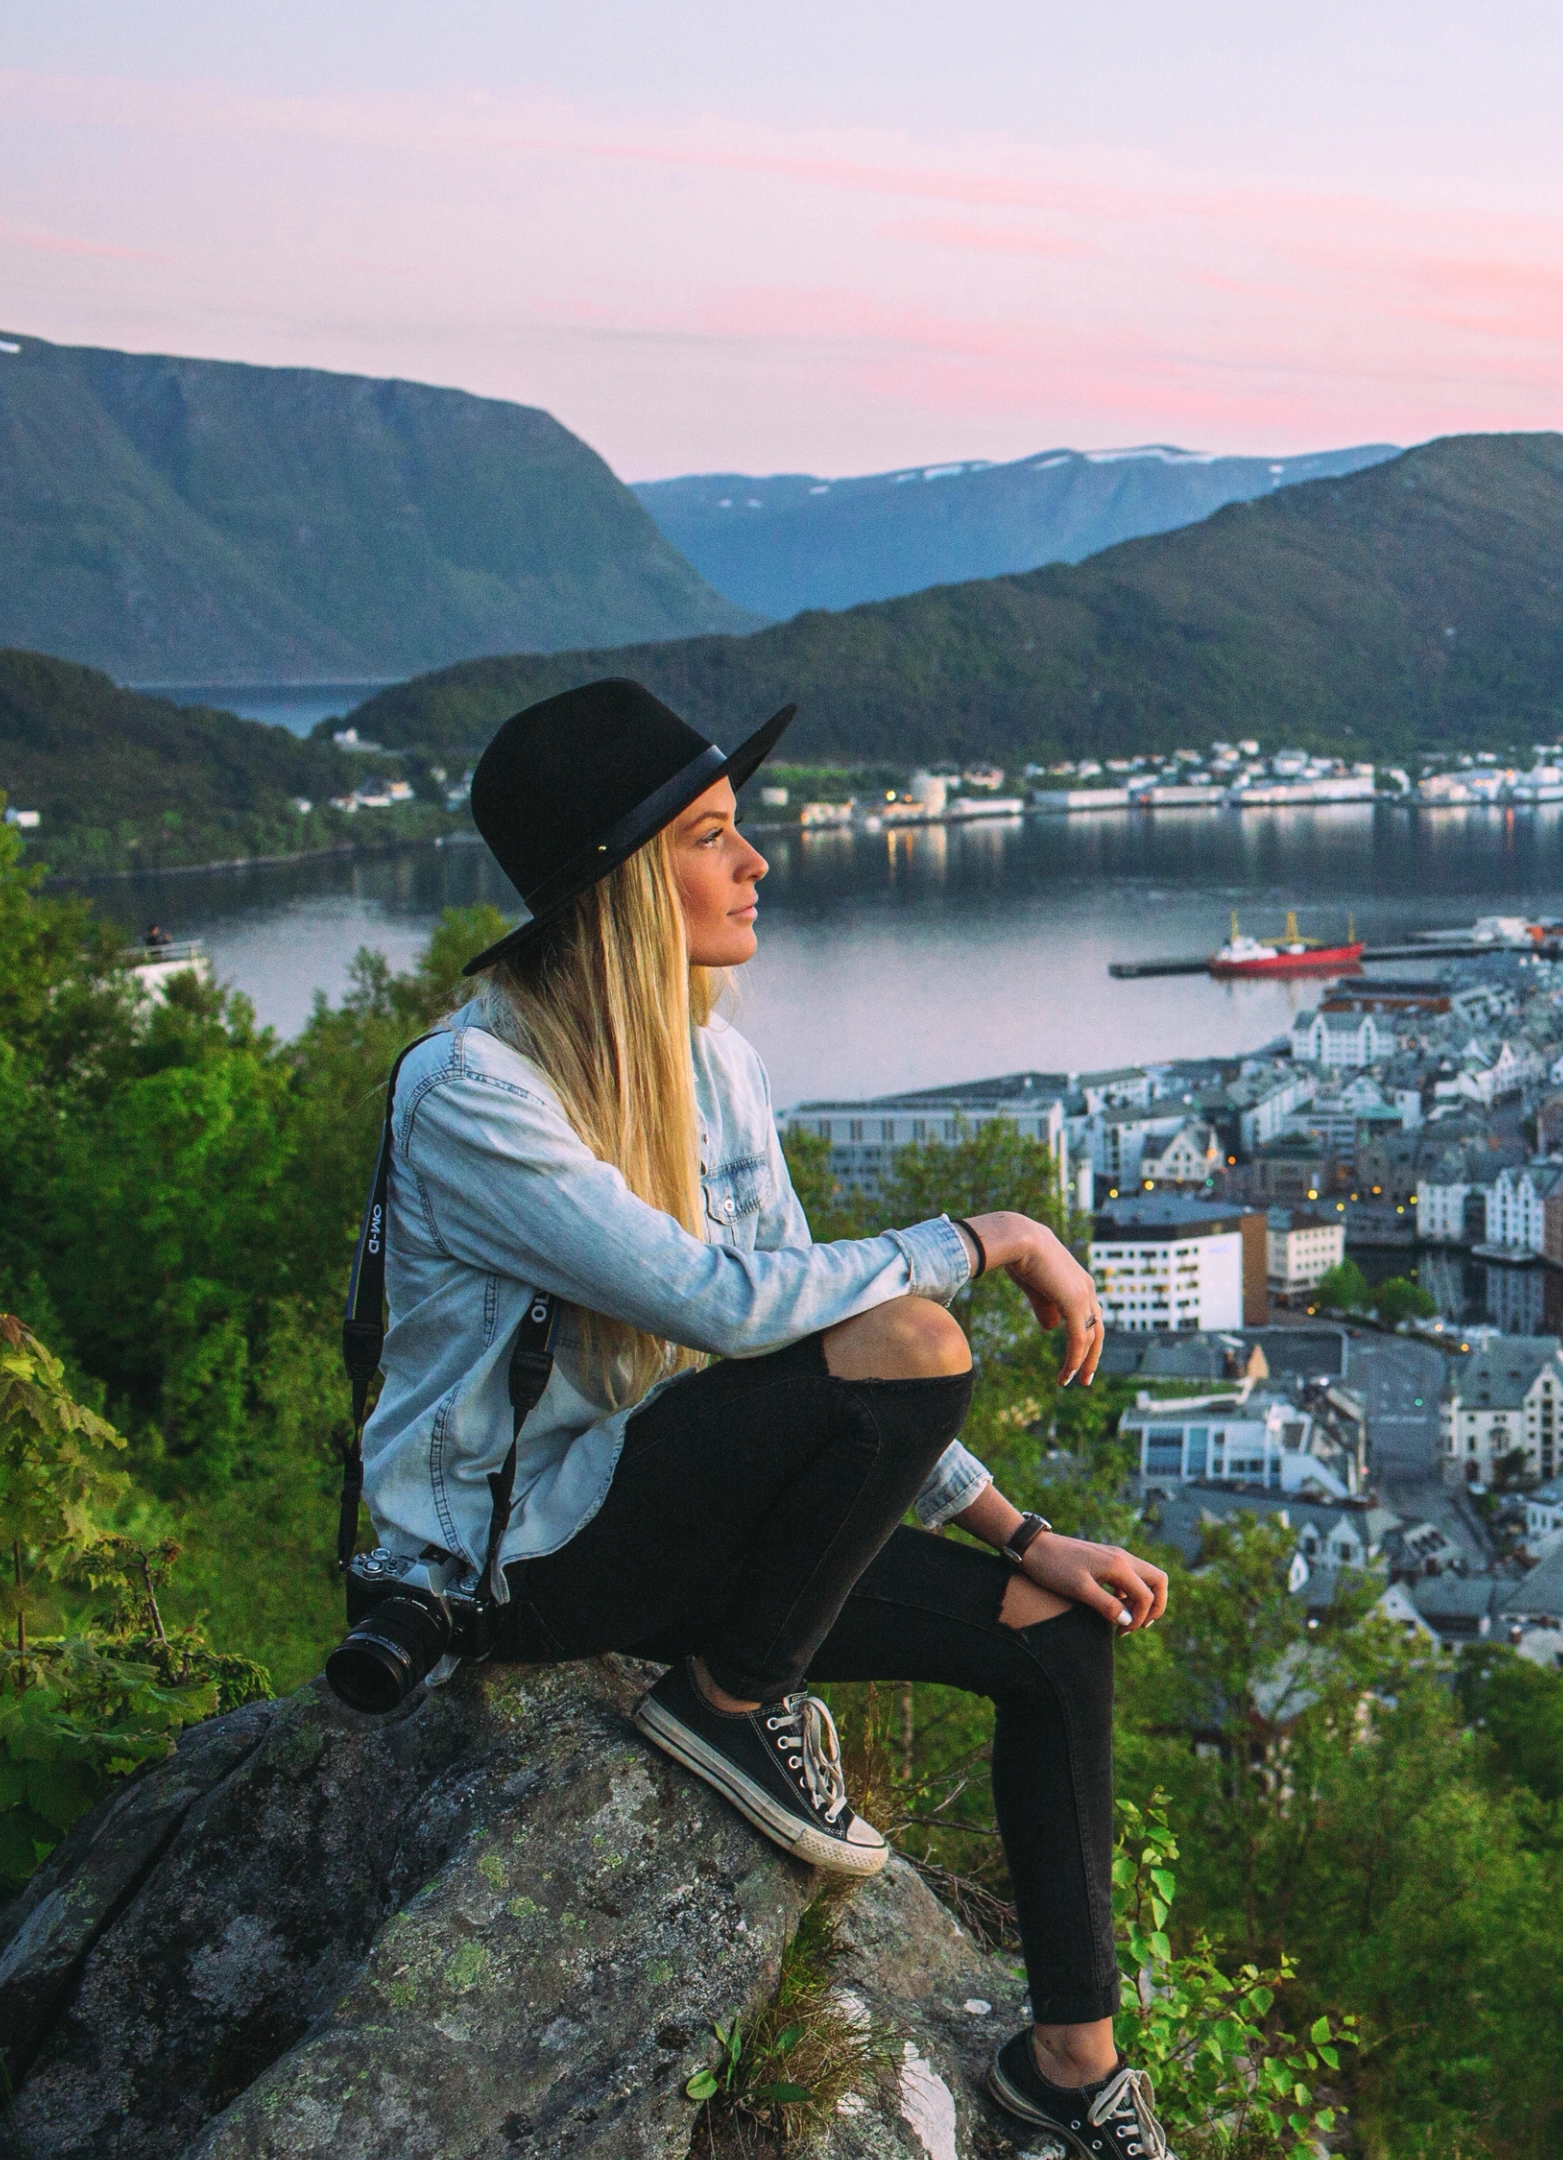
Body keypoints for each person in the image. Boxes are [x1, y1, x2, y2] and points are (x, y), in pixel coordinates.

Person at [352, 679, 1175, 2158]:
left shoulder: (714, 1062)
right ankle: (731, 1704)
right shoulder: (475, 1093)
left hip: (682, 1519)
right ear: (618, 889)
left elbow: (823, 1346)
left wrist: (1022, 1532)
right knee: (922, 1331)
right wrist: (988, 1233)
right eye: (716, 838)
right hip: (529, 1560)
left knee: (1056, 1637)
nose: (759, 865)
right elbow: (730, 1303)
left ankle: (1070, 2069)